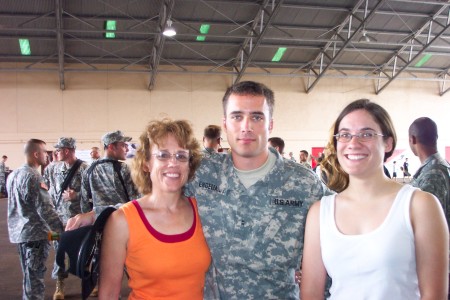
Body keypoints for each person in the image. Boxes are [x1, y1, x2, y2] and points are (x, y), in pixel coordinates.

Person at [66, 81, 326, 299]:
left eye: (257, 116)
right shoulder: (205, 171)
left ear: (270, 124)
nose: (246, 126)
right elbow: (158, 193)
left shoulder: (304, 183)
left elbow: (342, 227)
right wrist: (97, 214)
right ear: (225, 124)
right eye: (237, 116)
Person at [301, 99, 449, 299]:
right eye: (345, 135)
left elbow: (434, 295)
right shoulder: (320, 212)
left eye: (366, 134)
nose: (354, 143)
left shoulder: (419, 205)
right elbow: (311, 293)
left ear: (388, 143)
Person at [99, 119, 211, 299]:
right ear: (146, 163)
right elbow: (109, 293)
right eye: (163, 155)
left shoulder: (203, 212)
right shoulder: (122, 221)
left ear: (189, 166)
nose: (173, 163)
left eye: (181, 156)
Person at [7, 139, 64, 300]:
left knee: (28, 274)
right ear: (36, 154)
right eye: (45, 152)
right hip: (36, 236)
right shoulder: (34, 177)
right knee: (35, 277)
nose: (47, 155)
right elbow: (46, 210)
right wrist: (62, 231)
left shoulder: (12, 175)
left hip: (20, 235)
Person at [43, 137, 89, 300]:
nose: (56, 153)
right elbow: (46, 188)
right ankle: (60, 285)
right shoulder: (51, 169)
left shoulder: (85, 169)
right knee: (58, 252)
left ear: (67, 150)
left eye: (59, 150)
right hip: (57, 221)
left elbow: (92, 193)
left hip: (78, 221)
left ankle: (91, 283)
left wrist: (77, 195)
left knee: (83, 252)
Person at [80, 130, 139, 214]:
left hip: (98, 221)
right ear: (111, 147)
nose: (127, 149)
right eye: (123, 145)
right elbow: (135, 199)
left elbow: (84, 202)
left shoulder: (89, 169)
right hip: (121, 219)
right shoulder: (123, 168)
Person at [409, 117, 450, 226]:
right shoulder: (442, 166)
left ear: (412, 139)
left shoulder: (432, 175)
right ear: (436, 137)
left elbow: (427, 223)